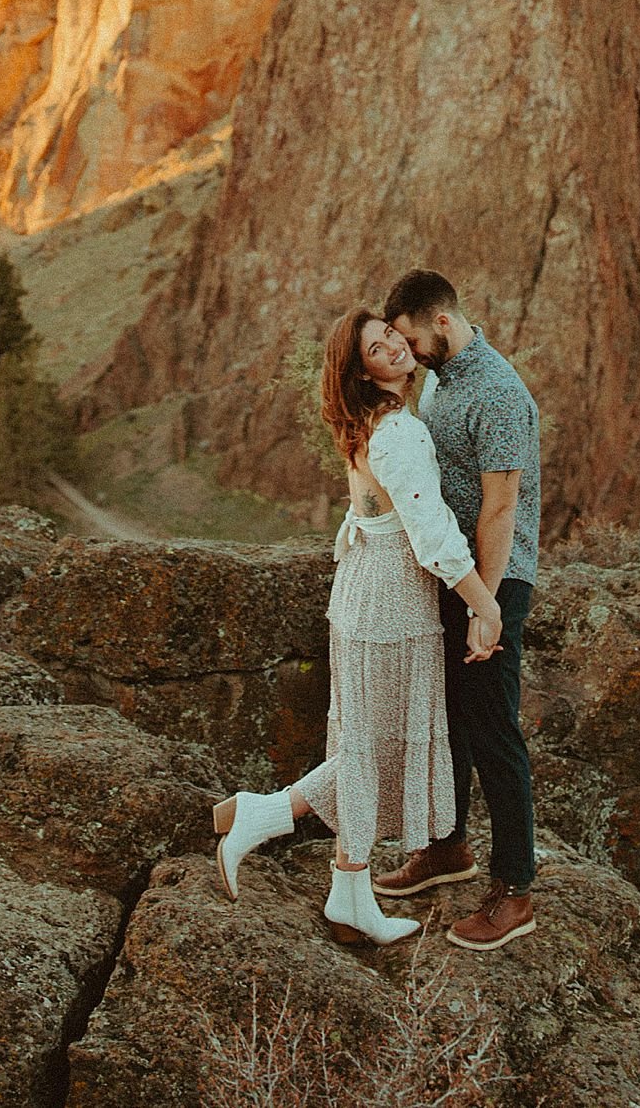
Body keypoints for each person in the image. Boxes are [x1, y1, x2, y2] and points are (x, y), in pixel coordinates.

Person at [211, 307, 504, 945]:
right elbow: (432, 534)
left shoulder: (377, 423)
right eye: (377, 348)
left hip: (368, 594)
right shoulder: (398, 431)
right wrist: (485, 603)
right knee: (374, 752)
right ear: (363, 372)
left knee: (366, 747)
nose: (396, 347)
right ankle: (280, 829)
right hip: (391, 606)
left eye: (394, 336)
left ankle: (331, 877)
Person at [376, 268, 541, 951]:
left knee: (494, 728)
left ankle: (516, 889)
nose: (408, 354)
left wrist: (487, 605)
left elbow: (501, 508)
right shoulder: (444, 378)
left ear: (440, 322)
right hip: (458, 576)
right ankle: (448, 848)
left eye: (412, 339)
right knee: (451, 721)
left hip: (495, 581)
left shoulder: (499, 393)